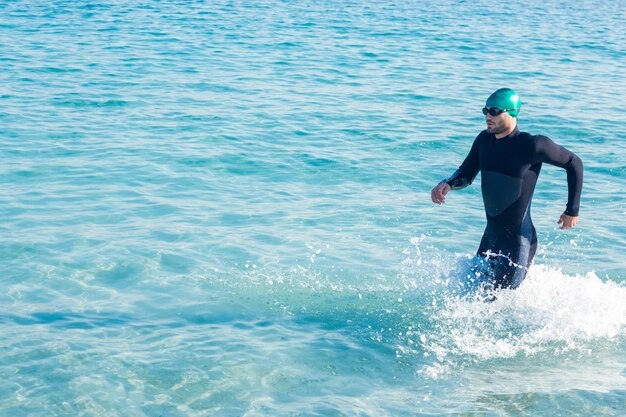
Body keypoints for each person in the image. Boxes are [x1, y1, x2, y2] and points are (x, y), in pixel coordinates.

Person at [430, 88, 583, 289]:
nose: (487, 116)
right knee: (471, 295)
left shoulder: (533, 144)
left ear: (512, 112)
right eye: (485, 110)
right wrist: (447, 183)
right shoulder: (484, 140)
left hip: (519, 241)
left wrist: (572, 210)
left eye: (494, 111)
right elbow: (466, 173)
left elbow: (574, 162)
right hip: (490, 238)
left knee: (500, 306)